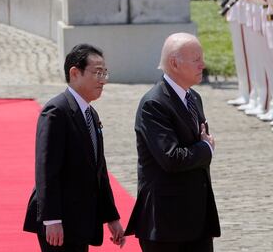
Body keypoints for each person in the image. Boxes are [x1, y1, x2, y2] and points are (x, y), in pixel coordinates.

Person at [23, 44, 125, 251]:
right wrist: (51, 219)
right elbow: (46, 170)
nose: (103, 79)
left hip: (82, 220)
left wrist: (111, 217)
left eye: (105, 72)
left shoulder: (91, 114)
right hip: (60, 220)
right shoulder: (56, 111)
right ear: (75, 73)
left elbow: (100, 170)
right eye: (97, 72)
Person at [125, 33, 221, 252]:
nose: (202, 64)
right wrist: (206, 148)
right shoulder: (154, 104)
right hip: (166, 224)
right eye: (196, 59)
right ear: (174, 63)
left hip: (197, 219)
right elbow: (172, 158)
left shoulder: (194, 98)